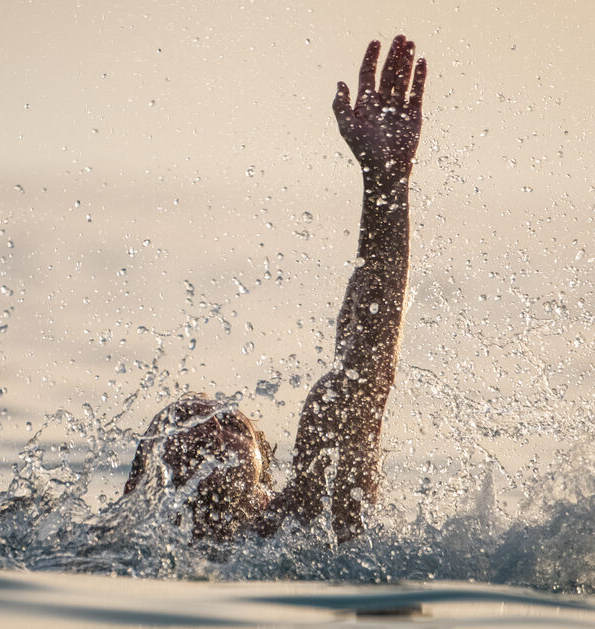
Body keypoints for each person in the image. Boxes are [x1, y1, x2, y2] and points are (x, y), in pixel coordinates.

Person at [124, 35, 426, 544]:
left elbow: (368, 367)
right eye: (186, 424)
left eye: (234, 425)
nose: (215, 430)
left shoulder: (300, 522)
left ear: (266, 474)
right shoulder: (107, 550)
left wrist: (385, 183)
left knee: (331, 404)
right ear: (140, 484)